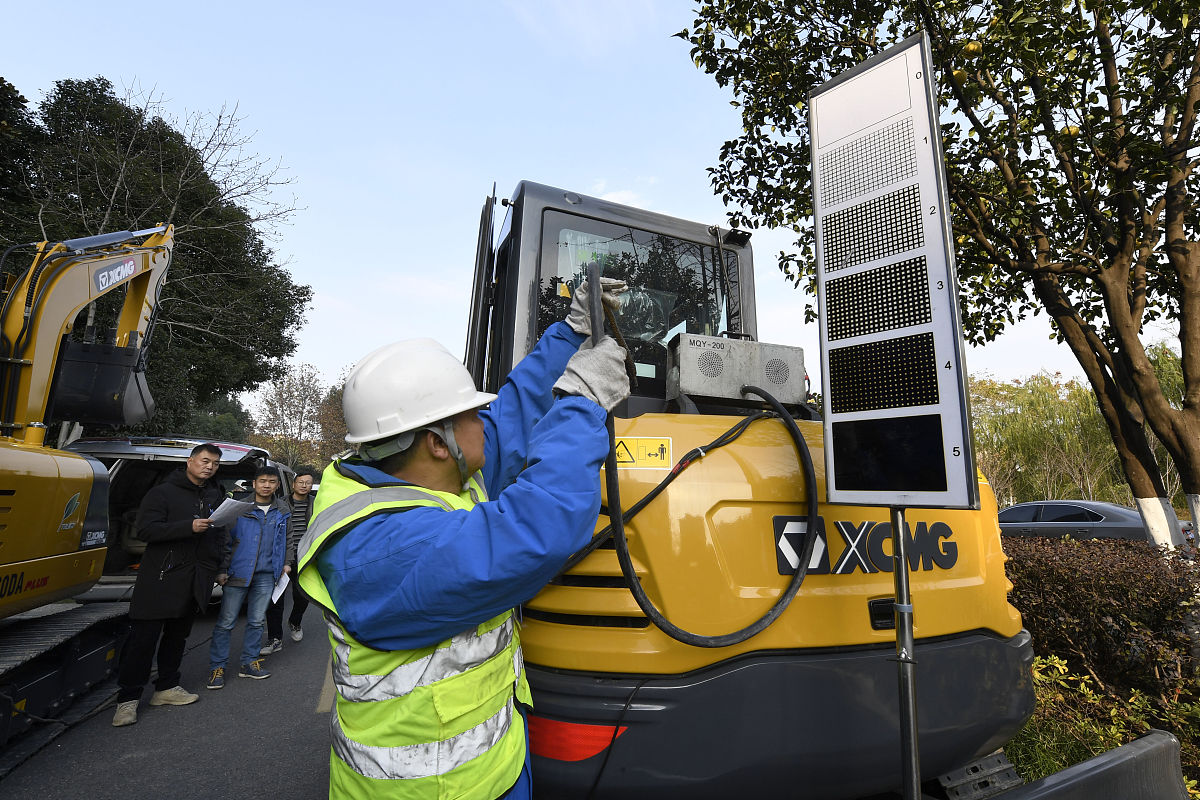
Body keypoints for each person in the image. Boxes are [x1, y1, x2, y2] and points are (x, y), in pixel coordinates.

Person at [297, 278, 630, 800]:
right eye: (473, 413)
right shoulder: (378, 547)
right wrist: (582, 403)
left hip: (492, 767)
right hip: (430, 791)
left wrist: (571, 332)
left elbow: (514, 416)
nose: (486, 419)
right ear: (438, 442)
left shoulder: (435, 476)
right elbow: (537, 528)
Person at [112, 442, 226, 727]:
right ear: (190, 461)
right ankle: (127, 700)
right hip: (161, 577)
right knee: (143, 640)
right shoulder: (162, 492)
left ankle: (166, 687)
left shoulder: (213, 494)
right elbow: (146, 530)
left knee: (177, 637)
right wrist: (188, 527)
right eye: (205, 461)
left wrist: (218, 567)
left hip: (194, 578)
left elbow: (218, 535)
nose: (209, 467)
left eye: (215, 463)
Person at [206, 465, 289, 688]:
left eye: (271, 482)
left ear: (277, 485)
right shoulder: (237, 508)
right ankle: (217, 667)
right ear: (254, 484)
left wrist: (286, 563)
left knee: (257, 621)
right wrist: (222, 569)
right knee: (226, 622)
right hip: (238, 572)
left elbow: (288, 539)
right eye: (262, 481)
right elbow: (224, 541)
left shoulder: (282, 510)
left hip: (267, 574)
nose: (266, 485)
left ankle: (249, 662)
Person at [262, 467, 317, 652]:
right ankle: (274, 638)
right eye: (301, 482)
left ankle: (295, 621)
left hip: (305, 556)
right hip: (283, 555)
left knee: (303, 595)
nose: (304, 485)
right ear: (293, 484)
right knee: (276, 598)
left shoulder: (316, 503)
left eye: (308, 483)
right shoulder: (281, 503)